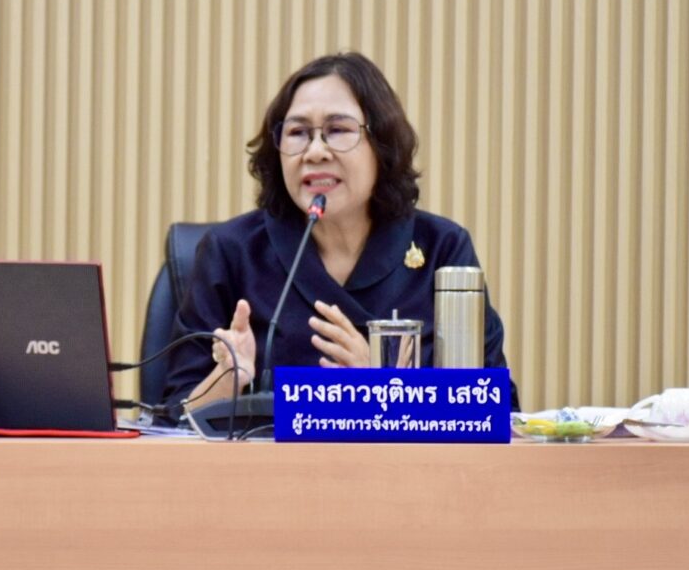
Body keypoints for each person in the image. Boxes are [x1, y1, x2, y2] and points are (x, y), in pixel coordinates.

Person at [161, 52, 519, 416]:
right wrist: (228, 379)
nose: (315, 152)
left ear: (381, 145)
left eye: (338, 130)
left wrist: (379, 390)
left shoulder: (443, 249)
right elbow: (173, 412)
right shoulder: (233, 251)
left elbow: (496, 408)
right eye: (297, 133)